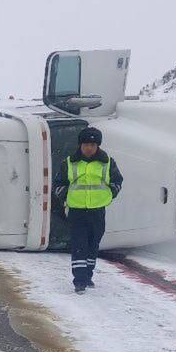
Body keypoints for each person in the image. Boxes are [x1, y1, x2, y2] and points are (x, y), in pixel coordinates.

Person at [52, 126, 123, 293]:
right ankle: (79, 281)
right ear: (80, 145)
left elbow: (118, 181)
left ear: (98, 146)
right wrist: (65, 196)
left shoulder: (107, 162)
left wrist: (110, 193)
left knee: (92, 245)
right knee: (79, 245)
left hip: (97, 211)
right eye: (85, 144)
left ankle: (88, 275)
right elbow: (59, 183)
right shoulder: (69, 163)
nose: (89, 148)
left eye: (92, 144)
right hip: (77, 211)